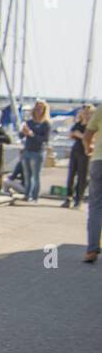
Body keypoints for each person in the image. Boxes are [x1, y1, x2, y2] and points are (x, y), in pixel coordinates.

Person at [18, 100, 52, 203]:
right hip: (27, 150)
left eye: (40, 108)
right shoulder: (29, 122)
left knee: (36, 176)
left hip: (38, 152)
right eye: (36, 108)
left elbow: (45, 140)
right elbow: (21, 136)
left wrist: (32, 134)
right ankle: (27, 195)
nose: (38, 110)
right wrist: (23, 132)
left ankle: (35, 196)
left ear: (44, 110)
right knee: (27, 175)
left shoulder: (46, 124)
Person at [64, 105, 94, 208]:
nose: (86, 114)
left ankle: (78, 200)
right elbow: (71, 134)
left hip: (85, 152)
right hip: (75, 150)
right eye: (84, 112)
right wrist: (76, 135)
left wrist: (81, 136)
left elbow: (91, 139)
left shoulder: (92, 126)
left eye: (88, 112)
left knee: (82, 177)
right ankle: (68, 198)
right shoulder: (78, 124)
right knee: (71, 175)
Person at [84, 104, 102, 263]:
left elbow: (87, 135)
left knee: (96, 206)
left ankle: (92, 250)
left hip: (99, 161)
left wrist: (88, 148)